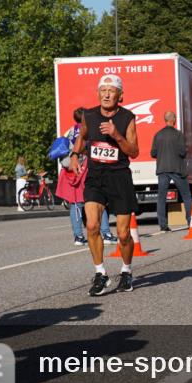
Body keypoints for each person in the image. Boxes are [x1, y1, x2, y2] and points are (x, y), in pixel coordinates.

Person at [70, 73, 140, 296]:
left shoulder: (127, 117)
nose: (107, 94)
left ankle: (126, 271)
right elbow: (82, 137)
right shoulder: (89, 115)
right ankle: (100, 274)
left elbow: (135, 151)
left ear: (120, 95)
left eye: (111, 90)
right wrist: (74, 154)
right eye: (103, 90)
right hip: (96, 177)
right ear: (98, 93)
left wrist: (117, 136)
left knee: (122, 234)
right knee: (91, 226)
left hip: (119, 177)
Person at [60, 107, 114, 245]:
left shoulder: (70, 132)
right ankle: (106, 233)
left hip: (71, 171)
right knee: (98, 200)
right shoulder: (89, 129)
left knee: (75, 205)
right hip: (86, 169)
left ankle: (78, 236)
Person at [152, 110, 192, 232]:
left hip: (162, 169)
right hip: (177, 169)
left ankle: (163, 225)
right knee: (186, 196)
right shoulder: (178, 134)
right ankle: (191, 221)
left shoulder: (157, 135)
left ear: (165, 120)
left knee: (161, 197)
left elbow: (153, 153)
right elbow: (182, 152)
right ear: (173, 120)